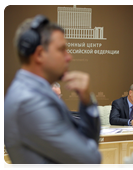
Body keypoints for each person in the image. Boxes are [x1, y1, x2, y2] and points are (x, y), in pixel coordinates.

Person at [4, 15, 101, 168]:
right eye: (62, 50)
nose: (69, 57)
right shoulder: (28, 102)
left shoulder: (37, 93)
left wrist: (86, 101)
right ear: (39, 54)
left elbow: (88, 144)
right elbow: (91, 159)